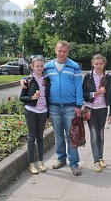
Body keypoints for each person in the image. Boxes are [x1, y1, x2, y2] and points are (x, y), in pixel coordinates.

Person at [22, 41, 83, 175]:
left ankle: (74, 163)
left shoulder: (74, 67)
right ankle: (61, 159)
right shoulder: (48, 67)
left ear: (68, 52)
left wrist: (79, 105)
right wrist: (23, 79)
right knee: (58, 135)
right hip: (54, 107)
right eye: (59, 51)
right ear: (55, 50)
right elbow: (35, 75)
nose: (62, 53)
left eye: (64, 51)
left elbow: (79, 86)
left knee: (72, 135)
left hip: (70, 107)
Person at [82, 54, 111, 172]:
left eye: (101, 63)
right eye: (96, 64)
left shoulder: (108, 78)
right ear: (92, 64)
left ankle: (101, 157)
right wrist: (93, 94)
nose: (99, 66)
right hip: (90, 109)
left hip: (102, 109)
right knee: (94, 134)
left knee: (101, 134)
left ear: (104, 64)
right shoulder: (87, 77)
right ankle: (96, 161)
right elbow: (83, 94)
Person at [19, 57, 50, 174]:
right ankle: (31, 164)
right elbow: (21, 98)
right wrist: (32, 98)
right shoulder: (28, 80)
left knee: (40, 137)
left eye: (41, 66)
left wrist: (48, 114)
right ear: (32, 67)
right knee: (31, 138)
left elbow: (48, 97)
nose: (39, 68)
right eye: (37, 66)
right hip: (31, 111)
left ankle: (41, 162)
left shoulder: (46, 80)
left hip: (43, 112)